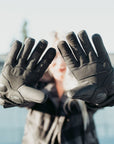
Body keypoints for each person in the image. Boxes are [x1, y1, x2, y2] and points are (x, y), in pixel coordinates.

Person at [0, 30, 113, 144]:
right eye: (53, 57)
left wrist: (107, 91)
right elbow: (19, 99)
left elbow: (99, 101)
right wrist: (7, 93)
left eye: (64, 56)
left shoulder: (84, 86)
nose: (60, 63)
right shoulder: (36, 85)